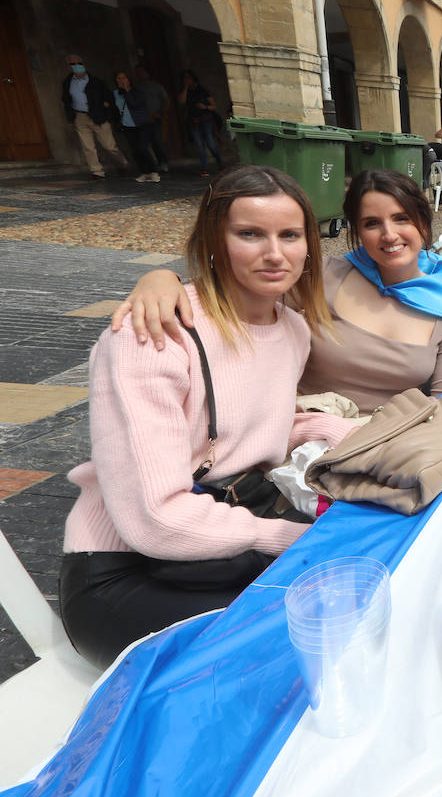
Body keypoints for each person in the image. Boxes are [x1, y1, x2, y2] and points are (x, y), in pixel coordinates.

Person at [60, 164, 360, 668]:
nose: (274, 252)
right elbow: (155, 517)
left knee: (359, 600)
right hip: (125, 572)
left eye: (289, 235)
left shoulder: (291, 329)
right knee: (311, 639)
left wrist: (363, 437)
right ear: (214, 240)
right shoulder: (149, 335)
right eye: (250, 234)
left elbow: (258, 424)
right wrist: (289, 539)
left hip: (227, 532)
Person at [113, 171, 442, 411]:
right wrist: (161, 278)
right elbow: (231, 289)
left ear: (423, 224)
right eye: (371, 224)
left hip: (385, 443)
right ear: (356, 232)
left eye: (401, 218)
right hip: (294, 432)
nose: (389, 235)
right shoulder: (322, 276)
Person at [61, 54, 126, 180]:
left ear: (83, 64)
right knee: (88, 146)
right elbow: (65, 98)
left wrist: (105, 105)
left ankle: (122, 163)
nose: (76, 66)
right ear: (68, 66)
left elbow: (108, 96)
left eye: (78, 63)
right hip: (80, 116)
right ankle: (97, 171)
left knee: (109, 146)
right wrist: (71, 113)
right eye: (72, 64)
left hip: (98, 115)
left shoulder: (96, 81)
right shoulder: (67, 82)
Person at [111, 72, 160, 184]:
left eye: (124, 77)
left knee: (142, 148)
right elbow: (114, 109)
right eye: (118, 78)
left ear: (129, 80)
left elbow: (134, 104)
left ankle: (153, 171)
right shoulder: (115, 93)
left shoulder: (138, 92)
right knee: (135, 150)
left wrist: (127, 91)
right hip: (127, 126)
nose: (121, 80)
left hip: (142, 124)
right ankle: (144, 172)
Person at [179, 70, 223, 177]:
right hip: (193, 121)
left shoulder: (202, 90)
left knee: (211, 143)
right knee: (200, 145)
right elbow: (181, 101)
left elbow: (214, 106)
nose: (187, 80)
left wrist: (205, 107)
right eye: (184, 78)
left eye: (188, 77)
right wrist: (185, 88)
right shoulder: (185, 91)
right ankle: (204, 168)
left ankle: (220, 163)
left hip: (206, 120)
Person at [134, 64, 171, 173]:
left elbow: (166, 101)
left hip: (157, 118)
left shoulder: (156, 86)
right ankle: (153, 164)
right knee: (145, 143)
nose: (140, 74)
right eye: (137, 72)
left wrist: (161, 113)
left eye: (142, 72)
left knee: (158, 141)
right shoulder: (137, 88)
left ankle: (163, 162)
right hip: (143, 119)